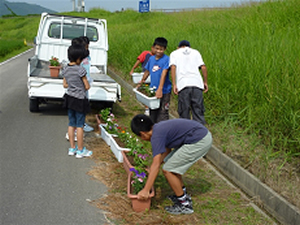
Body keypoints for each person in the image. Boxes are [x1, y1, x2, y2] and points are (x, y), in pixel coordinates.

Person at [130, 114, 212, 214]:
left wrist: (146, 190)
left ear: (142, 134)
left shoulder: (156, 136)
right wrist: (152, 170)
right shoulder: (158, 129)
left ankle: (184, 204)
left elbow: (156, 164)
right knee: (171, 165)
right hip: (199, 135)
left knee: (168, 169)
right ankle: (183, 195)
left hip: (199, 140)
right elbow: (165, 154)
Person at [62, 44, 93, 158]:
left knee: (71, 124)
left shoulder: (65, 69)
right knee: (80, 125)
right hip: (80, 100)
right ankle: (80, 150)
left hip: (69, 99)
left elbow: (65, 85)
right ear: (79, 58)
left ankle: (72, 148)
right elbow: (87, 86)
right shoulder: (81, 70)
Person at [169, 40, 208, 125]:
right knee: (198, 111)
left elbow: (173, 67)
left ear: (178, 47)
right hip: (197, 84)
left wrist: (174, 84)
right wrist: (205, 82)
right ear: (189, 47)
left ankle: (186, 133)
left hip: (183, 85)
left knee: (184, 112)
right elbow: (203, 67)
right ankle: (200, 133)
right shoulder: (196, 52)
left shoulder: (174, 53)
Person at [139, 37, 172, 123]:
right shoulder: (151, 59)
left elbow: (164, 74)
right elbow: (147, 71)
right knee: (153, 112)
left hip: (164, 91)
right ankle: (153, 131)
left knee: (163, 113)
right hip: (153, 90)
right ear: (153, 48)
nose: (159, 51)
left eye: (161, 49)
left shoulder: (167, 59)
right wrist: (141, 82)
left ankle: (163, 132)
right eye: (157, 48)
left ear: (165, 49)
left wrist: (160, 89)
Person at [130, 46, 156, 116]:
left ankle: (152, 108)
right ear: (152, 48)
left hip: (153, 77)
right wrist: (133, 69)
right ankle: (147, 108)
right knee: (145, 92)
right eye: (155, 48)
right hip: (144, 76)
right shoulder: (145, 54)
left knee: (152, 92)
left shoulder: (157, 57)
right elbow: (138, 61)